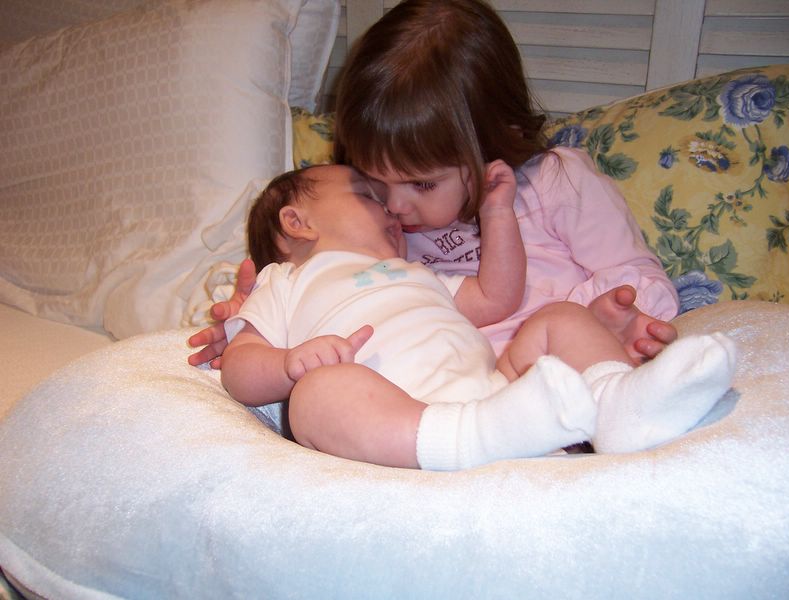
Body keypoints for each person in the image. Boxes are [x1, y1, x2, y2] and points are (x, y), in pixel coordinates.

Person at [189, 0, 679, 373]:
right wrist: (251, 328)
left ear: (491, 140)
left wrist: (602, 316)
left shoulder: (557, 182)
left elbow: (641, 278)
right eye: (374, 181)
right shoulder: (375, 233)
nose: (395, 205)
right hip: (440, 395)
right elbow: (327, 296)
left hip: (554, 368)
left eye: (422, 183)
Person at [220, 164, 736, 471]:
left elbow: (496, 298)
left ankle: (618, 404)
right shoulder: (284, 282)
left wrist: (497, 214)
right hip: (400, 424)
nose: (393, 207)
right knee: (317, 396)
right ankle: (472, 439)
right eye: (370, 195)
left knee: (559, 319)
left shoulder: (419, 273)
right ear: (297, 222)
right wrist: (288, 364)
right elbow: (239, 369)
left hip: (495, 393)